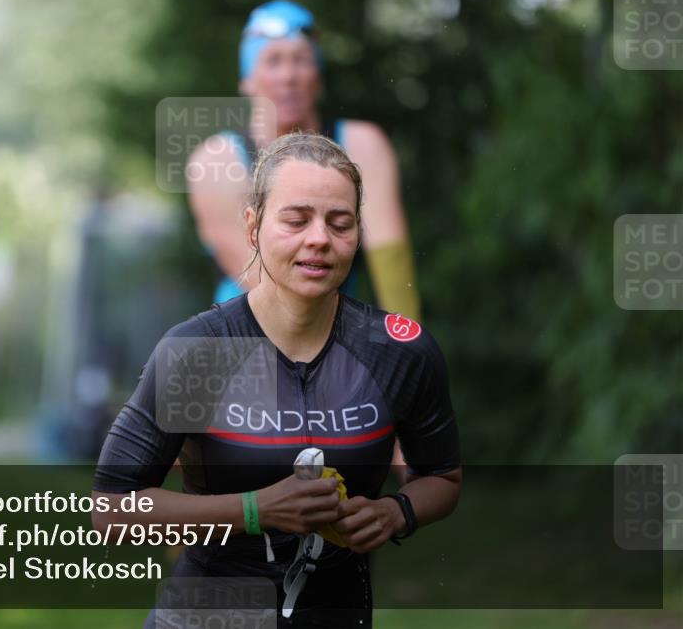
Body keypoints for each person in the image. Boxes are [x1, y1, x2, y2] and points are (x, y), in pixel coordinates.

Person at [93, 133, 461, 628]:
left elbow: (441, 477)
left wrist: (396, 512)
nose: (319, 239)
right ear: (253, 226)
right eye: (296, 220)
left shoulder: (401, 350)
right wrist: (254, 510)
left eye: (340, 223)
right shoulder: (197, 351)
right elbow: (112, 511)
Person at [187, 0, 420, 322]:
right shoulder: (216, 160)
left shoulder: (362, 145)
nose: (288, 76)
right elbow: (264, 280)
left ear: (318, 78)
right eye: (272, 61)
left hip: (337, 333)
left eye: (301, 60)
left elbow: (391, 262)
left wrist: (407, 342)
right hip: (245, 341)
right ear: (247, 81)